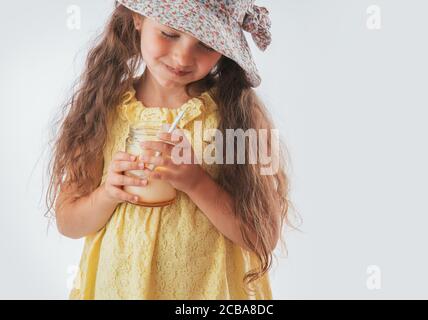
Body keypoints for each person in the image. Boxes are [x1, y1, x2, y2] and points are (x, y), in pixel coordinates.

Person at [46, 0, 297, 299]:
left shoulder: (241, 119)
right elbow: (68, 222)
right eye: (169, 33)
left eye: (206, 43)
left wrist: (196, 182)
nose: (182, 57)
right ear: (139, 18)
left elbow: (263, 236)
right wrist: (107, 194)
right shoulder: (102, 109)